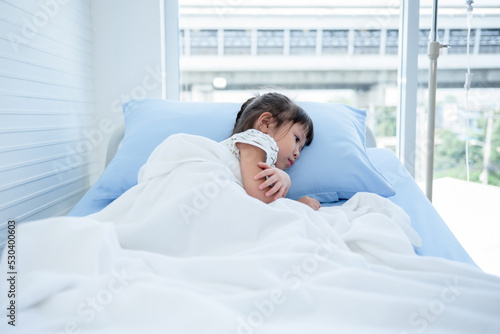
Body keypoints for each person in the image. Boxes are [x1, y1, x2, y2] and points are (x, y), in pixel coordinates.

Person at [220, 92, 321, 210]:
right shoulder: (257, 140)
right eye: (296, 139)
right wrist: (294, 198)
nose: (297, 153)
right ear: (266, 124)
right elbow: (260, 200)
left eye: (301, 148)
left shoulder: (261, 159)